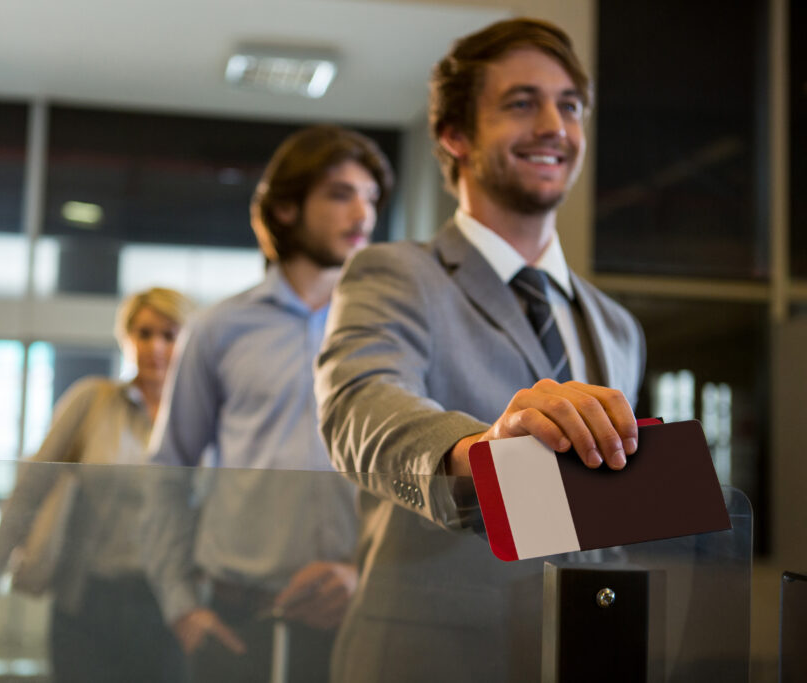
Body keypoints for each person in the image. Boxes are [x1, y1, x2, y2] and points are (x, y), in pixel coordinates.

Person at [314, 18, 645, 682]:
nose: (554, 124)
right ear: (455, 135)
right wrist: (484, 451)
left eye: (569, 106)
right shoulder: (394, 272)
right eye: (522, 103)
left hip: (585, 651)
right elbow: (359, 407)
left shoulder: (617, 327)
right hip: (432, 660)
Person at [142, 124, 394, 683]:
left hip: (358, 609)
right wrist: (182, 607)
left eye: (371, 197)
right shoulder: (217, 329)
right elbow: (167, 471)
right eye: (340, 193)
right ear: (284, 208)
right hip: (239, 619)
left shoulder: (388, 330)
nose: (363, 213)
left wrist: (365, 574)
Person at [0, 287, 194, 683]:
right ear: (127, 338)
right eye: (145, 333)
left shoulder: (197, 417)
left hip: (170, 606)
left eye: (170, 335)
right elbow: (30, 490)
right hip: (88, 602)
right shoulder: (92, 401)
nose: (156, 347)